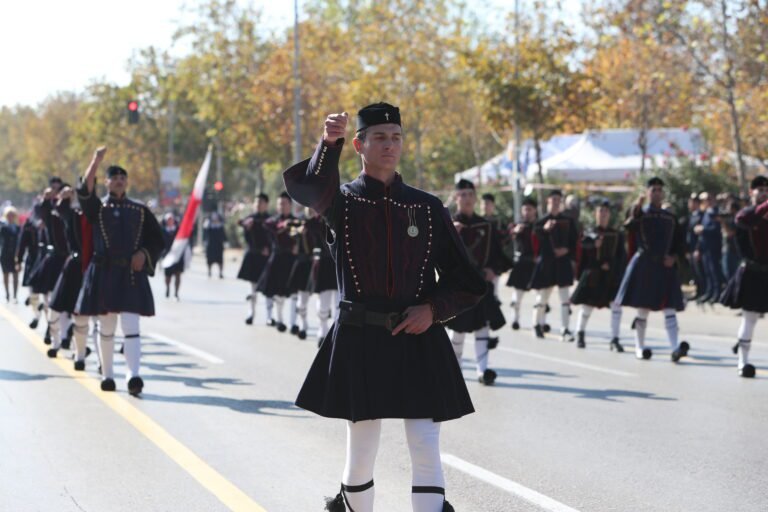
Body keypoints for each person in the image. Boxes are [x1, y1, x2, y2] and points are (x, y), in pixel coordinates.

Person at [283, 103, 485, 512]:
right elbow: (308, 189)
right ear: (359, 145)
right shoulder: (340, 203)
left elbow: (468, 281)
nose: (389, 145)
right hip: (361, 338)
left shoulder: (427, 207)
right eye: (379, 137)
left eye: (396, 137)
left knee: (426, 445)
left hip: (419, 337)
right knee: (362, 450)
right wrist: (327, 143)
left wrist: (433, 309)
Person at [75, 147, 165, 395]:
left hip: (131, 276)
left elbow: (157, 240)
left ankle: (133, 376)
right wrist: (96, 160)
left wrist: (143, 254)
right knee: (106, 326)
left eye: (122, 178)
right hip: (104, 272)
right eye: (114, 178)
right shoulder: (98, 208)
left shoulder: (139, 209)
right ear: (106, 182)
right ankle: (108, 375)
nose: (119, 181)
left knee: (131, 325)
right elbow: (85, 191)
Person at [615, 177, 690, 362]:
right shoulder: (641, 214)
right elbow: (629, 226)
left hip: (664, 267)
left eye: (659, 189)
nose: (656, 193)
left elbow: (680, 244)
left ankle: (674, 348)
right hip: (645, 265)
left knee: (669, 307)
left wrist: (673, 258)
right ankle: (640, 347)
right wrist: (636, 208)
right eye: (653, 189)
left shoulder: (670, 217)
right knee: (643, 308)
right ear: (647, 192)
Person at [447, 179, 507, 385]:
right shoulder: (448, 224)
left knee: (483, 327)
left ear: (475, 197)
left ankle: (483, 371)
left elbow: (498, 254)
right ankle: (456, 370)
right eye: (462, 194)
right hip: (458, 285)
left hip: (481, 284)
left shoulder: (487, 226)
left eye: (470, 194)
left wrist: (494, 269)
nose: (467, 198)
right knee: (458, 329)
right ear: (456, 198)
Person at [720, 175, 768, 378]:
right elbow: (750, 217)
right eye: (760, 190)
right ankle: (743, 362)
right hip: (751, 272)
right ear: (751, 192)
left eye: (767, 190)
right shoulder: (745, 214)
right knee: (750, 319)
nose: (764, 193)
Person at [570, 200, 626, 351]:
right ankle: (580, 333)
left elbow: (622, 256)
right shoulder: (589, 232)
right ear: (596, 214)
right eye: (600, 212)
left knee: (616, 307)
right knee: (587, 306)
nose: (603, 215)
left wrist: (612, 266)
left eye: (606, 212)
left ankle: (615, 339)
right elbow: (581, 248)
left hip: (611, 277)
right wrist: (593, 246)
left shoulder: (616, 234)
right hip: (593, 275)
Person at [529, 190, 579, 341]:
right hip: (547, 264)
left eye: (559, 200)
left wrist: (566, 250)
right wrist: (544, 230)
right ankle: (537, 324)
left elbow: (574, 240)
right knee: (542, 298)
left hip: (562, 263)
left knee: (565, 298)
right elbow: (535, 241)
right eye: (553, 200)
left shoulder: (568, 221)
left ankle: (565, 329)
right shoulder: (540, 222)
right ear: (548, 202)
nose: (556, 203)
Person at [256, 192, 298, 332]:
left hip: (292, 260)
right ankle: (280, 320)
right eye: (280, 204)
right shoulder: (271, 222)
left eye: (285, 203)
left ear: (290, 205)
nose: (282, 206)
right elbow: (269, 227)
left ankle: (293, 323)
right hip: (277, 259)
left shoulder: (296, 222)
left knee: (294, 294)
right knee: (278, 293)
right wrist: (282, 226)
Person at [304, 209, 339, 345]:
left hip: (337, 263)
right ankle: (322, 330)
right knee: (323, 303)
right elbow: (308, 226)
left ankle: (335, 333)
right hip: (323, 264)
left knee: (338, 303)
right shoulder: (314, 222)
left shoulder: (339, 215)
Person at [237, 194, 272, 325]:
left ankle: (269, 316)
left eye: (261, 202)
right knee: (252, 288)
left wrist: (268, 249)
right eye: (256, 202)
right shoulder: (249, 219)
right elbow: (246, 239)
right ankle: (251, 313)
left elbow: (274, 238)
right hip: (253, 256)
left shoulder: (270, 220)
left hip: (266, 257)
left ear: (266, 204)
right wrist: (247, 228)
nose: (258, 205)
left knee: (269, 289)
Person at [506, 197, 538, 330]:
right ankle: (515, 319)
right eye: (525, 209)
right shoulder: (516, 226)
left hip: (535, 264)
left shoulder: (539, 226)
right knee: (517, 297)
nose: (527, 212)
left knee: (540, 298)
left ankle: (538, 323)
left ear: (534, 211)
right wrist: (514, 232)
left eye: (529, 209)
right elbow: (507, 237)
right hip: (521, 263)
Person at [694, 192, 724, 304]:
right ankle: (710, 292)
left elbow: (716, 230)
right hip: (705, 246)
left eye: (708, 199)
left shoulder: (716, 212)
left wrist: (703, 230)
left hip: (714, 247)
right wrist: (699, 248)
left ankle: (717, 294)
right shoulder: (706, 212)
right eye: (705, 200)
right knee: (707, 272)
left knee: (714, 271)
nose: (707, 201)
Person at [160, 213, 184, 300]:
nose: (170, 221)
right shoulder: (162, 230)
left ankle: (176, 293)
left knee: (178, 274)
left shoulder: (178, 229)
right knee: (168, 275)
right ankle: (167, 288)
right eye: (168, 219)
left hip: (178, 255)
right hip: (167, 255)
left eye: (171, 219)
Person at [1, 206, 21, 302]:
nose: (10, 217)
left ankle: (15, 295)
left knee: (15, 276)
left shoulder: (18, 228)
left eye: (12, 215)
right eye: (9, 215)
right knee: (6, 275)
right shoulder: (3, 228)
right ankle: (7, 294)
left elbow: (21, 242)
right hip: (5, 254)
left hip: (15, 254)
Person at [203, 212, 227, 278]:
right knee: (210, 259)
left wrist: (225, 242)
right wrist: (204, 241)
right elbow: (205, 234)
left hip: (219, 245)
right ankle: (209, 271)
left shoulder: (220, 225)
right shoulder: (208, 225)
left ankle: (220, 273)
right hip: (210, 245)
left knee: (220, 260)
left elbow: (223, 235)